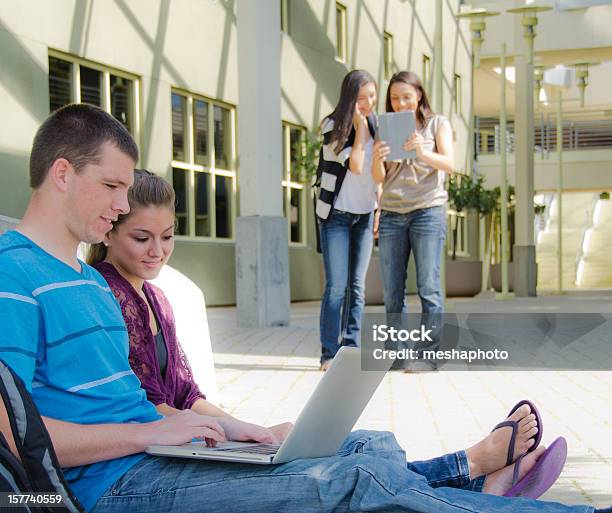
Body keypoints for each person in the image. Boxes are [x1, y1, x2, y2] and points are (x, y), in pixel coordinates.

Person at [0, 103, 607, 513]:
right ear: (61, 173)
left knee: (364, 445)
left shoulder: (83, 277)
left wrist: (225, 431)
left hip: (154, 456)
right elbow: (14, 436)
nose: (120, 205)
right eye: (111, 188)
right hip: (114, 486)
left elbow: (143, 399)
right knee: (349, 479)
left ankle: (475, 487)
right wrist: (153, 432)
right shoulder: (12, 272)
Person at [87, 169, 290, 440]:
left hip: (172, 439)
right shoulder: (108, 295)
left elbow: (186, 395)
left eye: (167, 236)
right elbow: (146, 409)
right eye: (141, 238)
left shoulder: (156, 298)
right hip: (139, 452)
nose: (157, 251)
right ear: (108, 233)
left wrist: (253, 432)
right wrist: (228, 431)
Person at [372, 71, 453, 370]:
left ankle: (429, 356)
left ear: (419, 94)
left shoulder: (437, 124)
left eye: (406, 96)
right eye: (394, 98)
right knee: (392, 291)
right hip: (393, 212)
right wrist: (376, 159)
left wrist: (423, 151)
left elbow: (450, 163)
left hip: (427, 210)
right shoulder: (385, 127)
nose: (401, 103)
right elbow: (379, 178)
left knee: (429, 287)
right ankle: (396, 354)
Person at [316, 69, 379, 371]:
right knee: (337, 287)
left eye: (372, 96)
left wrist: (378, 208)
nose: (368, 103)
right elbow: (355, 165)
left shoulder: (380, 126)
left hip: (365, 215)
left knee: (358, 286)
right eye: (362, 97)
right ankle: (329, 352)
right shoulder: (332, 126)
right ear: (350, 97)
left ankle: (351, 349)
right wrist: (360, 129)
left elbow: (378, 175)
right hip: (336, 216)